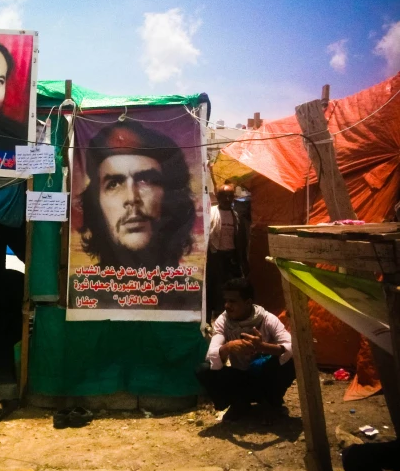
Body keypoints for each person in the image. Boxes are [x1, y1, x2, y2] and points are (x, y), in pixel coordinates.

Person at [79, 119, 196, 270]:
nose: (132, 198)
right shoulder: (81, 291)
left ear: (169, 195)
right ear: (96, 204)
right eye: (113, 184)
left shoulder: (190, 291)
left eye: (145, 180)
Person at [196, 278, 295, 422]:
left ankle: (272, 403)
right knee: (203, 369)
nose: (227, 305)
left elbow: (292, 346)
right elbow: (212, 355)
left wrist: (263, 347)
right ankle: (239, 404)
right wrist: (228, 347)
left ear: (248, 303)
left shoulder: (267, 319)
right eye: (226, 301)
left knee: (292, 361)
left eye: (233, 301)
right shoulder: (223, 321)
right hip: (240, 378)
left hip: (267, 378)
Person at [206, 184, 249, 320]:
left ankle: (226, 319)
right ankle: (209, 319)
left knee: (229, 291)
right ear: (218, 197)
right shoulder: (210, 214)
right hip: (214, 257)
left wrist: (243, 262)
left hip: (230, 259)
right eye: (224, 196)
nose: (227, 199)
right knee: (212, 289)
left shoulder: (236, 217)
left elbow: (241, 241)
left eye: (230, 196)